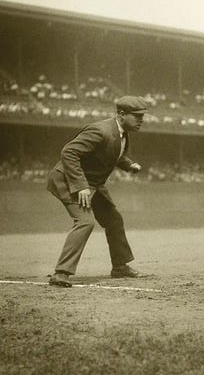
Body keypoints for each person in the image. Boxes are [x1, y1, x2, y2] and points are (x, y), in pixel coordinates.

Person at [47, 96, 148, 287]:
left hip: (92, 183)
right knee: (85, 222)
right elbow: (69, 152)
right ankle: (61, 273)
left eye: (142, 116)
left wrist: (128, 164)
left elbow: (111, 154)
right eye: (137, 116)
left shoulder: (121, 133)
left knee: (113, 219)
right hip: (69, 180)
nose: (141, 120)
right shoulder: (100, 130)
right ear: (121, 114)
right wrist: (81, 186)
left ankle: (120, 267)